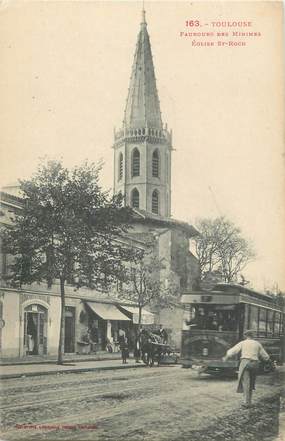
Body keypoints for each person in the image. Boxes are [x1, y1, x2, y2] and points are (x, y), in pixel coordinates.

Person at [223, 329, 270, 408]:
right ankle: (250, 401)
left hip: (245, 363)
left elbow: (233, 351)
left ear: (246, 336)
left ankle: (246, 402)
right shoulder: (257, 343)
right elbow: (265, 356)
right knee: (251, 382)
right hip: (255, 363)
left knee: (246, 383)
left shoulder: (243, 343)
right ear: (253, 336)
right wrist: (268, 360)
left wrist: (226, 357)